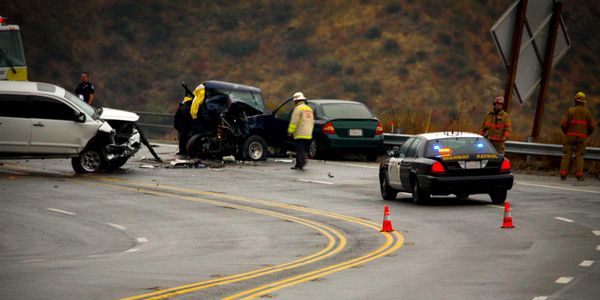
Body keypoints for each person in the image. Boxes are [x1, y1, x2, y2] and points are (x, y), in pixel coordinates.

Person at [559, 92, 595, 181]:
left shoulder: (570, 110)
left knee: (567, 154)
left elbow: (563, 124)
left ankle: (563, 174)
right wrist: (586, 135)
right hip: (582, 137)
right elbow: (592, 127)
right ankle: (579, 175)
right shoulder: (587, 112)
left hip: (570, 136)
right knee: (580, 155)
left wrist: (566, 133)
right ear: (584, 102)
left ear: (575, 100)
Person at [287, 92, 314, 170]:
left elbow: (294, 121)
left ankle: (302, 161)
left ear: (296, 101)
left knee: (299, 149)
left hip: (300, 132)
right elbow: (311, 121)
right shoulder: (309, 109)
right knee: (302, 148)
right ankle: (299, 164)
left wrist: (290, 131)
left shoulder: (298, 108)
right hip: (308, 133)